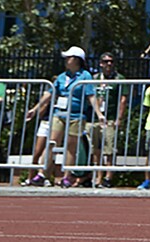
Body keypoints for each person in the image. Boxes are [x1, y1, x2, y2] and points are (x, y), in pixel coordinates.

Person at [46, 46, 101, 188]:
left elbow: (91, 95)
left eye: (68, 57)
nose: (66, 60)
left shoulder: (85, 76)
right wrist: (35, 109)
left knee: (71, 147)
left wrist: (99, 114)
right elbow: (50, 93)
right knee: (52, 142)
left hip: (76, 115)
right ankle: (43, 173)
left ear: (76, 60)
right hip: (59, 113)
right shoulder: (61, 76)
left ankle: (66, 176)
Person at [93, 53, 127, 188]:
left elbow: (123, 100)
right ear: (101, 63)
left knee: (109, 149)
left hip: (111, 118)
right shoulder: (95, 78)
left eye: (111, 62)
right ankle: (97, 177)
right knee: (96, 149)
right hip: (96, 119)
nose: (109, 64)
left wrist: (119, 118)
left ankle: (108, 177)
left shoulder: (119, 78)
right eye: (106, 62)